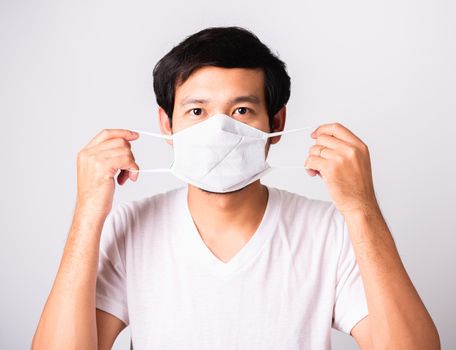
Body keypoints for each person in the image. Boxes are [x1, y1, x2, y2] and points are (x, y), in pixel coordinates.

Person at [32, 26, 440, 350]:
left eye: (241, 110)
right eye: (197, 111)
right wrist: (88, 213)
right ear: (167, 125)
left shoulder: (330, 232)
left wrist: (361, 209)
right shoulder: (130, 229)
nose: (218, 128)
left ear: (276, 124)